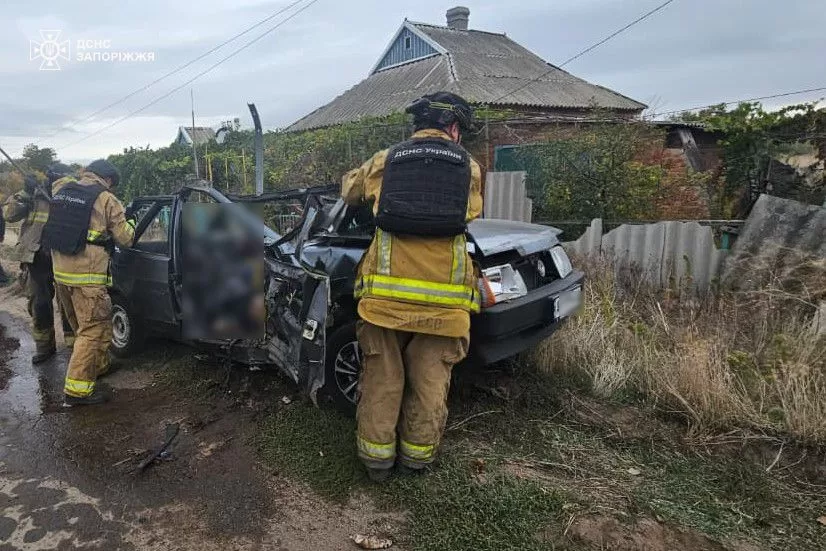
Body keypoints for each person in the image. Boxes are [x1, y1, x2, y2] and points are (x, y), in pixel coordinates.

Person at [341, 92, 483, 481]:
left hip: (383, 303)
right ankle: (417, 461)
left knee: (382, 381)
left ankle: (376, 463)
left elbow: (349, 192)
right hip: (446, 306)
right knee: (429, 382)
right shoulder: (469, 167)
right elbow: (470, 211)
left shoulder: (385, 161)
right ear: (454, 129)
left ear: (417, 126)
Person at [41, 159, 135, 406]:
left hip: (61, 274)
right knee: (93, 330)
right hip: (87, 277)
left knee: (82, 325)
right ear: (109, 180)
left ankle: (99, 367)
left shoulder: (63, 190)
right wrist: (132, 222)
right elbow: (125, 238)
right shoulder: (106, 198)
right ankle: (78, 391)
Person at [1, 164, 77, 362]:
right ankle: (44, 348)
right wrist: (26, 192)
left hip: (63, 257)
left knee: (68, 304)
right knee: (40, 304)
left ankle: (74, 347)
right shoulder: (34, 193)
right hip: (36, 259)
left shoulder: (71, 196)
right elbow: (9, 214)